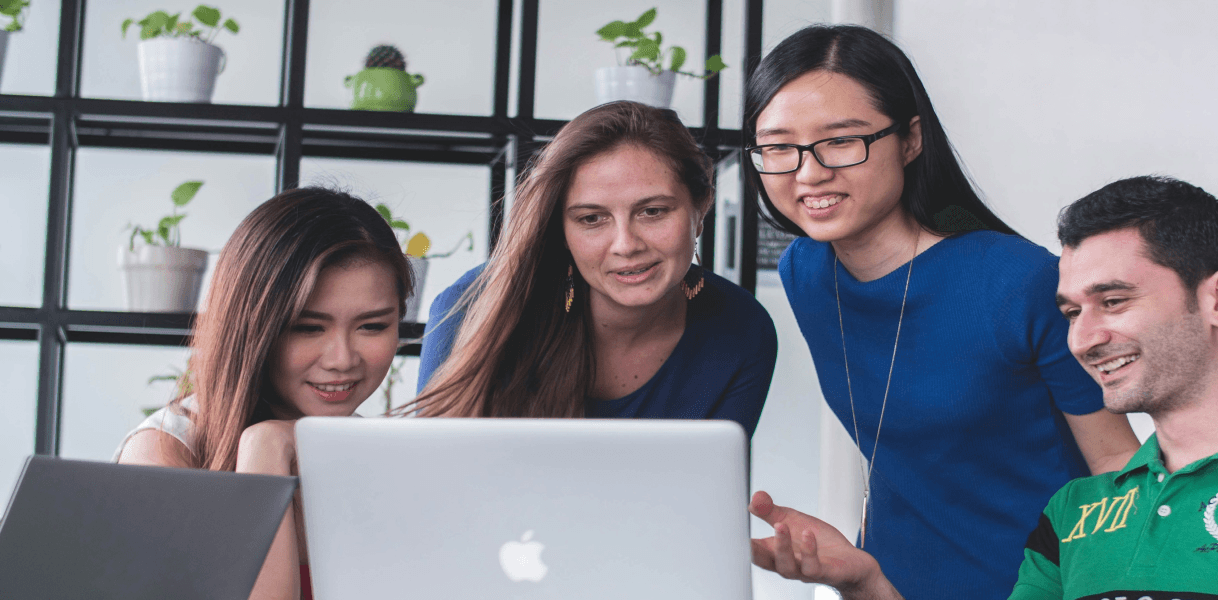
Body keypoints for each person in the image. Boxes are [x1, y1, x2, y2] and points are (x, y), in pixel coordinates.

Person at [751, 176, 1218, 599]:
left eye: (1113, 301)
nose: (1083, 339)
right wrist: (867, 583)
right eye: (1072, 312)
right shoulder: (1073, 513)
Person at [743, 25, 1140, 598]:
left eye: (841, 140)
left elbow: (1117, 465)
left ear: (911, 139)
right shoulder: (805, 271)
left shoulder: (1020, 281)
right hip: (886, 585)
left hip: (1038, 586)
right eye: (779, 147)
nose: (809, 173)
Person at [115, 188, 412, 600]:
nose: (342, 359)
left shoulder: (381, 458)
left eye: (373, 326)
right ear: (251, 327)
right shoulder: (164, 452)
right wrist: (266, 448)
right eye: (308, 328)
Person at [411, 101, 777, 434]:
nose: (626, 245)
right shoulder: (472, 307)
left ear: (701, 208)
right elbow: (434, 474)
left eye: (653, 211)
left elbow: (711, 481)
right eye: (591, 218)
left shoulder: (742, 329)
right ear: (560, 230)